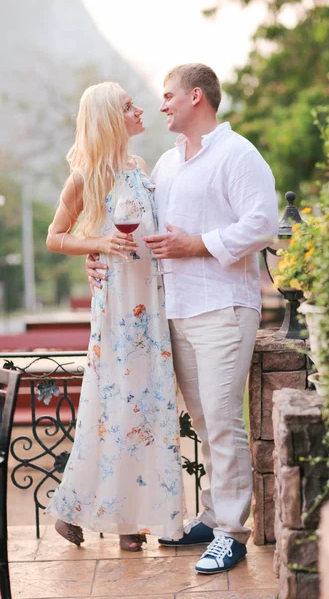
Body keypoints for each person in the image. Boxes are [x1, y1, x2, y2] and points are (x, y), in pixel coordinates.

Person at [87, 64, 279, 573]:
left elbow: (262, 223)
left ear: (197, 97)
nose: (163, 104)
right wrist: (98, 251)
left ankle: (232, 533)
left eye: (169, 96)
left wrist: (198, 245)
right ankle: (213, 516)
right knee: (202, 420)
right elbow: (135, 226)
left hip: (224, 308)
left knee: (221, 420)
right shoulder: (168, 165)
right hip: (174, 311)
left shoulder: (239, 154)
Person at [45, 81, 185, 552]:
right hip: (118, 311)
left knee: (147, 409)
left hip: (151, 305)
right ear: (110, 118)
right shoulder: (86, 176)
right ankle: (98, 516)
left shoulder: (141, 166)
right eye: (129, 106)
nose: (139, 109)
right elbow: (55, 236)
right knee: (119, 407)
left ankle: (132, 517)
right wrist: (99, 245)